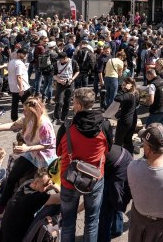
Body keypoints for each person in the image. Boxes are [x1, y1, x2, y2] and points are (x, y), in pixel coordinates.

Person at [0, 97, 57, 227]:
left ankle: (38, 214)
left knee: (40, 186)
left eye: (26, 110)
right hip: (31, 154)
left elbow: (48, 145)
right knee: (11, 178)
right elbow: (13, 125)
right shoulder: (27, 119)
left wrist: (27, 148)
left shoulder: (44, 124)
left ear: (34, 111)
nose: (23, 113)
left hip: (44, 158)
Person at [56, 88, 112, 242]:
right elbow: (107, 149)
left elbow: (58, 152)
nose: (72, 105)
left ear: (79, 106)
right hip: (94, 179)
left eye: (74, 102)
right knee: (92, 222)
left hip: (69, 179)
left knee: (67, 224)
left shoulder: (67, 126)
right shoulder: (104, 125)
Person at [0, 167, 61, 242]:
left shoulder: (28, 183)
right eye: (45, 185)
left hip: (4, 234)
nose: (47, 187)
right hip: (16, 238)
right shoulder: (36, 197)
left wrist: (48, 184)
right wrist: (54, 184)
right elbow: (63, 197)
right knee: (56, 205)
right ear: (36, 182)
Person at [98, 144, 133, 242]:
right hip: (125, 157)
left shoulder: (90, 154)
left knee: (107, 206)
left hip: (118, 167)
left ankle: (103, 238)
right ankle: (117, 229)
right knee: (117, 199)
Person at [113, 77, 139, 154]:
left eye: (124, 85)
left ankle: (118, 158)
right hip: (133, 120)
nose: (122, 86)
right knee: (128, 140)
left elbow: (117, 98)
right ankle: (130, 157)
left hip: (125, 121)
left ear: (129, 85)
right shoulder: (136, 93)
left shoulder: (128, 95)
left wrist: (122, 90)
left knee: (118, 142)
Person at [53, 51, 80, 125]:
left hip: (70, 83)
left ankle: (63, 117)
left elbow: (77, 71)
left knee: (67, 101)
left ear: (65, 58)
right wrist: (59, 80)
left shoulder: (73, 62)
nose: (59, 61)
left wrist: (72, 79)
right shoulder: (57, 64)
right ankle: (56, 117)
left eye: (60, 59)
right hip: (60, 84)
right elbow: (54, 74)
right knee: (59, 102)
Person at [7, 47, 32, 122]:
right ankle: (29, 119)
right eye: (23, 54)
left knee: (15, 104)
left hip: (13, 87)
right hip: (22, 87)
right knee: (28, 104)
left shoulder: (11, 62)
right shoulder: (19, 64)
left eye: (26, 54)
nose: (25, 55)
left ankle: (14, 119)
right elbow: (19, 76)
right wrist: (21, 89)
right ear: (18, 54)